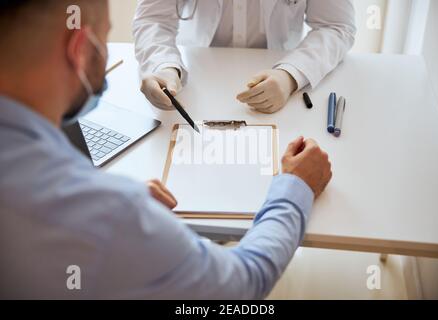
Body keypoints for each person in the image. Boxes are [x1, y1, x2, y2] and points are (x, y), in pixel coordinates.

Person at [0, 0, 332, 299]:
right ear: (81, 49)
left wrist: (291, 74)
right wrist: (295, 186)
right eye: (105, 39)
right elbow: (242, 284)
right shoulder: (113, 211)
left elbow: (336, 24)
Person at [134, 0, 356, 113]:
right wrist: (164, 66)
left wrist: (290, 75)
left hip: (283, 93)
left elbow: (336, 25)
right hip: (195, 90)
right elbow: (153, 20)